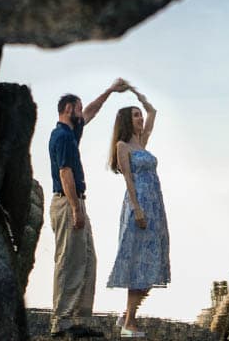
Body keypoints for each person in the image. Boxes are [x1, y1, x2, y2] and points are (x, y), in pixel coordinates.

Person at [49, 78, 130, 338]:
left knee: (86, 259)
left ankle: (77, 318)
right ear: (67, 109)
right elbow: (65, 173)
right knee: (68, 261)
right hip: (67, 202)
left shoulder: (71, 133)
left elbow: (91, 111)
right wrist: (75, 208)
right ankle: (60, 322)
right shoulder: (61, 136)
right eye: (78, 108)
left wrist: (109, 91)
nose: (82, 113)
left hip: (76, 201)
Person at [105, 85, 169, 338]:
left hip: (156, 204)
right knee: (138, 262)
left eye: (139, 115)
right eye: (135, 115)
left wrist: (134, 91)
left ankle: (126, 316)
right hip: (139, 205)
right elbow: (128, 180)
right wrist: (137, 209)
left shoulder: (142, 142)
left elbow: (153, 110)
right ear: (125, 121)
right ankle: (129, 323)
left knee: (153, 261)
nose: (141, 118)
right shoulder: (123, 146)